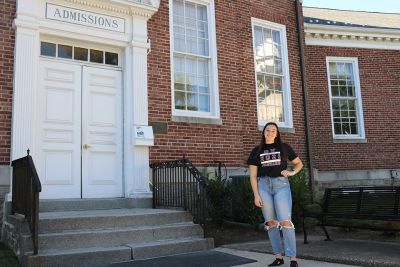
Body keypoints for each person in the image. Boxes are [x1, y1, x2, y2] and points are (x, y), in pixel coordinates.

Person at [247, 122, 303, 267]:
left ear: (277, 133)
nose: (270, 132)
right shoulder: (256, 151)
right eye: (267, 130)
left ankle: (293, 258)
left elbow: (299, 164)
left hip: (281, 186)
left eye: (273, 130)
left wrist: (291, 173)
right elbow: (253, 175)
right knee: (271, 223)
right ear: (263, 132)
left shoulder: (284, 147)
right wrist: (256, 195)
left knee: (285, 221)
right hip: (263, 187)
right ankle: (278, 257)